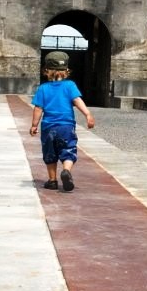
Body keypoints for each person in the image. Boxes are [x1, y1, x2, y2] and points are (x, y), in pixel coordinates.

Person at [29, 50, 96, 192]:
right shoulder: (70, 85)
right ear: (66, 70)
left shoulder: (43, 88)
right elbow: (77, 100)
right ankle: (66, 170)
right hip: (66, 126)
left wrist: (34, 125)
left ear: (46, 71)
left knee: (50, 153)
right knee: (68, 149)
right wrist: (88, 114)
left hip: (48, 127)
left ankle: (52, 180)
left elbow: (38, 108)